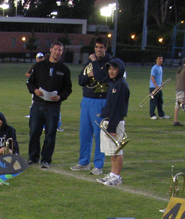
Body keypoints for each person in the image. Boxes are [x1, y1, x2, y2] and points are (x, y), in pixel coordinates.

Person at [25, 40, 72, 167]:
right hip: (38, 104)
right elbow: (30, 82)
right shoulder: (39, 66)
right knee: (34, 132)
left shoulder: (64, 69)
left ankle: (46, 159)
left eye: (60, 50)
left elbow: (68, 88)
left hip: (53, 106)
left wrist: (60, 97)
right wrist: (34, 90)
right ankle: (33, 157)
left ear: (62, 53)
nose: (57, 52)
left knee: (50, 134)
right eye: (55, 49)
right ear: (50, 50)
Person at [71, 37, 111, 175]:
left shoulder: (109, 63)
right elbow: (81, 80)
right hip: (86, 100)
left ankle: (98, 165)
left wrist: (94, 62)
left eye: (101, 47)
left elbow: (101, 77)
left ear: (106, 48)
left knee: (99, 134)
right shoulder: (89, 62)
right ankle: (84, 162)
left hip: (100, 101)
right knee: (84, 133)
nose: (98, 50)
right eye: (96, 47)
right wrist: (89, 74)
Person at [96, 58, 130, 186]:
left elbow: (118, 108)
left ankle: (117, 176)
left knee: (117, 150)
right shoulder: (113, 83)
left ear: (120, 70)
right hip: (109, 120)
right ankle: (112, 173)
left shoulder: (121, 84)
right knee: (111, 151)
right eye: (109, 69)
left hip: (115, 122)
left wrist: (112, 127)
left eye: (114, 69)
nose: (111, 71)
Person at [148, 55, 169, 119]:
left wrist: (161, 83)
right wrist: (156, 86)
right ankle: (152, 115)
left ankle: (161, 115)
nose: (161, 60)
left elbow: (159, 77)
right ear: (156, 59)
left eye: (162, 58)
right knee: (153, 101)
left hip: (159, 87)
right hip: (154, 87)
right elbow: (152, 77)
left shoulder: (160, 67)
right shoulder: (154, 68)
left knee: (160, 101)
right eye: (159, 58)